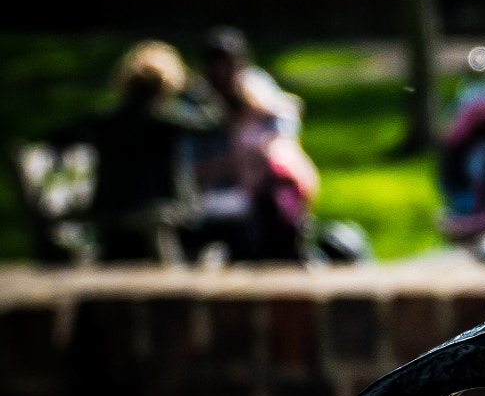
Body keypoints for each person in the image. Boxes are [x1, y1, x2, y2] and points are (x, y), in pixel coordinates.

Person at [63, 41, 223, 261]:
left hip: (110, 215)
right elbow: (215, 120)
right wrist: (195, 86)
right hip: (163, 212)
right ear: (167, 84)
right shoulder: (166, 120)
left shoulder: (104, 122)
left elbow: (61, 137)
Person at [192, 26, 320, 260]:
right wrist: (236, 162)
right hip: (212, 193)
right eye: (216, 65)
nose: (222, 73)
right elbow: (194, 167)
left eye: (229, 65)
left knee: (279, 201)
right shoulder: (195, 102)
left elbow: (287, 117)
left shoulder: (255, 89)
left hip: (259, 188)